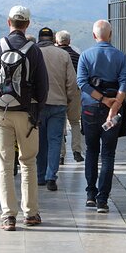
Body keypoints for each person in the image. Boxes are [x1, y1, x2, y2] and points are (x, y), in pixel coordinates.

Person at [0, 5, 48, 231]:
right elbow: (43, 86)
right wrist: (35, 109)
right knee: (28, 162)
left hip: (0, 112)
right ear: (27, 24)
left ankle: (8, 216)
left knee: (4, 164)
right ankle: (31, 213)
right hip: (26, 112)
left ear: (8, 22)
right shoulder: (34, 49)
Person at [76, 19, 126, 213]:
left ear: (94, 35)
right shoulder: (120, 56)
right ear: (111, 34)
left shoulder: (85, 56)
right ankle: (102, 200)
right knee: (108, 154)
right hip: (112, 112)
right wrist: (114, 104)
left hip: (91, 108)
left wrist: (101, 99)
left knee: (91, 151)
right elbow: (125, 82)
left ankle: (90, 194)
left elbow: (82, 83)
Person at [35, 27, 79, 191]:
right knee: (55, 141)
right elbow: (72, 83)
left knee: (40, 142)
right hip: (58, 103)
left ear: (39, 38)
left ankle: (40, 176)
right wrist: (67, 98)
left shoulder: (33, 53)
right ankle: (51, 177)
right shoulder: (63, 55)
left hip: (38, 105)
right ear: (53, 39)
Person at [55, 30, 84, 163]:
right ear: (69, 41)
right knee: (75, 122)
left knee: (59, 123)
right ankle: (77, 151)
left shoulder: (56, 56)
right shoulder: (77, 56)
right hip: (75, 92)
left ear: (57, 42)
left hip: (58, 92)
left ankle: (61, 155)